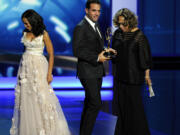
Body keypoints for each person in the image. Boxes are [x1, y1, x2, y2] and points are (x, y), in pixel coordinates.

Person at [10, 9, 71, 135]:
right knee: (27, 98)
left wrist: (49, 73)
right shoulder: (24, 32)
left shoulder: (44, 34)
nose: (25, 26)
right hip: (26, 68)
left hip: (39, 67)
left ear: (33, 21)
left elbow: (51, 53)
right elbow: (25, 50)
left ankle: (47, 129)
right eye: (24, 23)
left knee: (42, 98)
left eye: (27, 23)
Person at [72, 0, 116, 135]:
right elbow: (77, 50)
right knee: (95, 103)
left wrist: (106, 50)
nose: (97, 13)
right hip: (87, 71)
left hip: (96, 70)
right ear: (86, 10)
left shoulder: (95, 26)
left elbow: (93, 47)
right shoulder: (81, 27)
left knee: (89, 103)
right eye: (93, 10)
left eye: (98, 11)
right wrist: (97, 58)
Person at [112, 8, 152, 135]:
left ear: (130, 22)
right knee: (121, 110)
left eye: (124, 23)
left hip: (133, 78)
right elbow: (115, 54)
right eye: (119, 24)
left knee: (135, 110)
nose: (122, 26)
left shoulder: (139, 37)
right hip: (119, 77)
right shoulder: (118, 34)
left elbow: (145, 59)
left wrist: (147, 76)